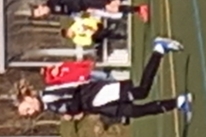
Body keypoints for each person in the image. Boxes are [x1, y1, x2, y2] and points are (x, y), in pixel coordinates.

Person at [15, 40, 192, 122]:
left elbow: (73, 90)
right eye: (27, 114)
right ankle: (179, 102)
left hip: (97, 94)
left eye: (27, 109)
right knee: (135, 111)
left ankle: (159, 49)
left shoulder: (48, 96)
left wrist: (73, 110)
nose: (30, 113)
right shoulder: (48, 105)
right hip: (97, 105)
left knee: (141, 92)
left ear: (29, 98)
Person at [29, 0, 148, 19]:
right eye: (39, 15)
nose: (41, 13)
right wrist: (85, 11)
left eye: (39, 11)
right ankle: (139, 9)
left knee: (111, 6)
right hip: (85, 6)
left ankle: (139, 8)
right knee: (112, 7)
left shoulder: (52, 1)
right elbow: (71, 11)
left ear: (40, 6)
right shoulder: (55, 12)